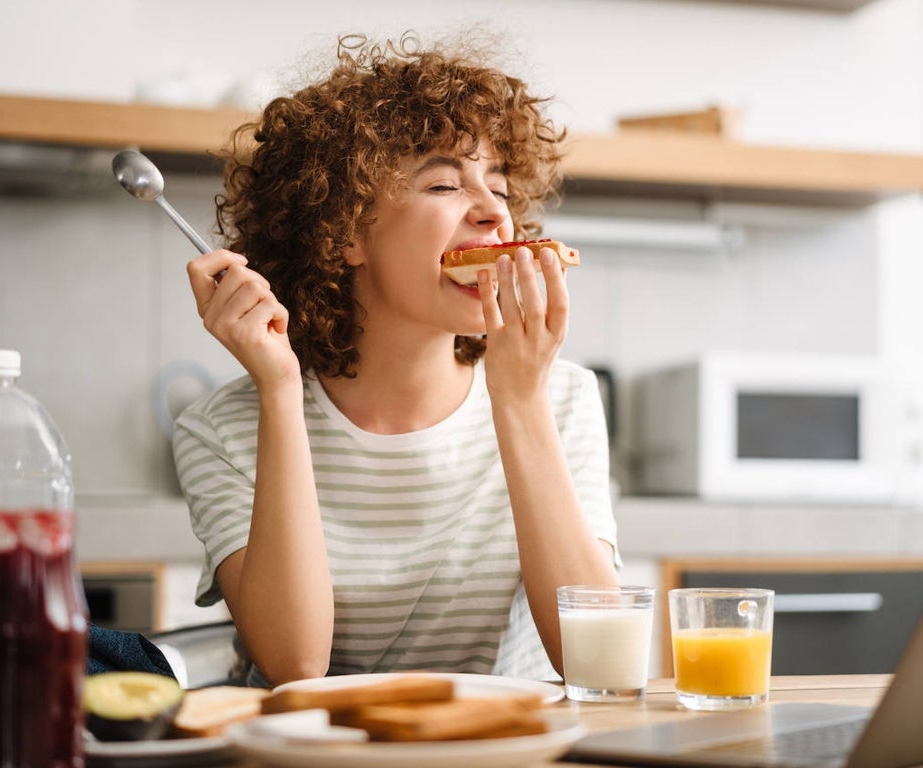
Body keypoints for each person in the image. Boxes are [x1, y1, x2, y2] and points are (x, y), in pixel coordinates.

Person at [173, 32, 619, 687]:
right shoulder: (225, 428)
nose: (494, 210)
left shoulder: (562, 398)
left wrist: (520, 400)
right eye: (444, 183)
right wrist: (277, 390)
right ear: (345, 231)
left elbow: (600, 663)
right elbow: (296, 665)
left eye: (498, 185)